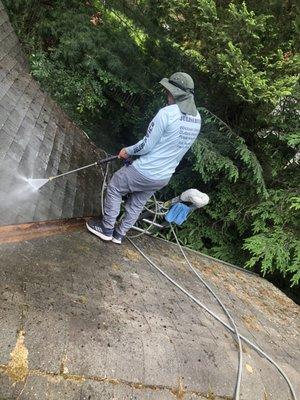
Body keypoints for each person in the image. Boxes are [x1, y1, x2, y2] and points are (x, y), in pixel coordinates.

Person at [86, 72, 202, 244]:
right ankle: (119, 235)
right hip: (162, 177)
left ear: (175, 93)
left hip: (145, 171)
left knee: (115, 187)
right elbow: (168, 147)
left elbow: (147, 145)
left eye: (169, 91)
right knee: (137, 205)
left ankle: (107, 228)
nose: (167, 94)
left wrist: (128, 151)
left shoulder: (167, 113)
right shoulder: (197, 119)